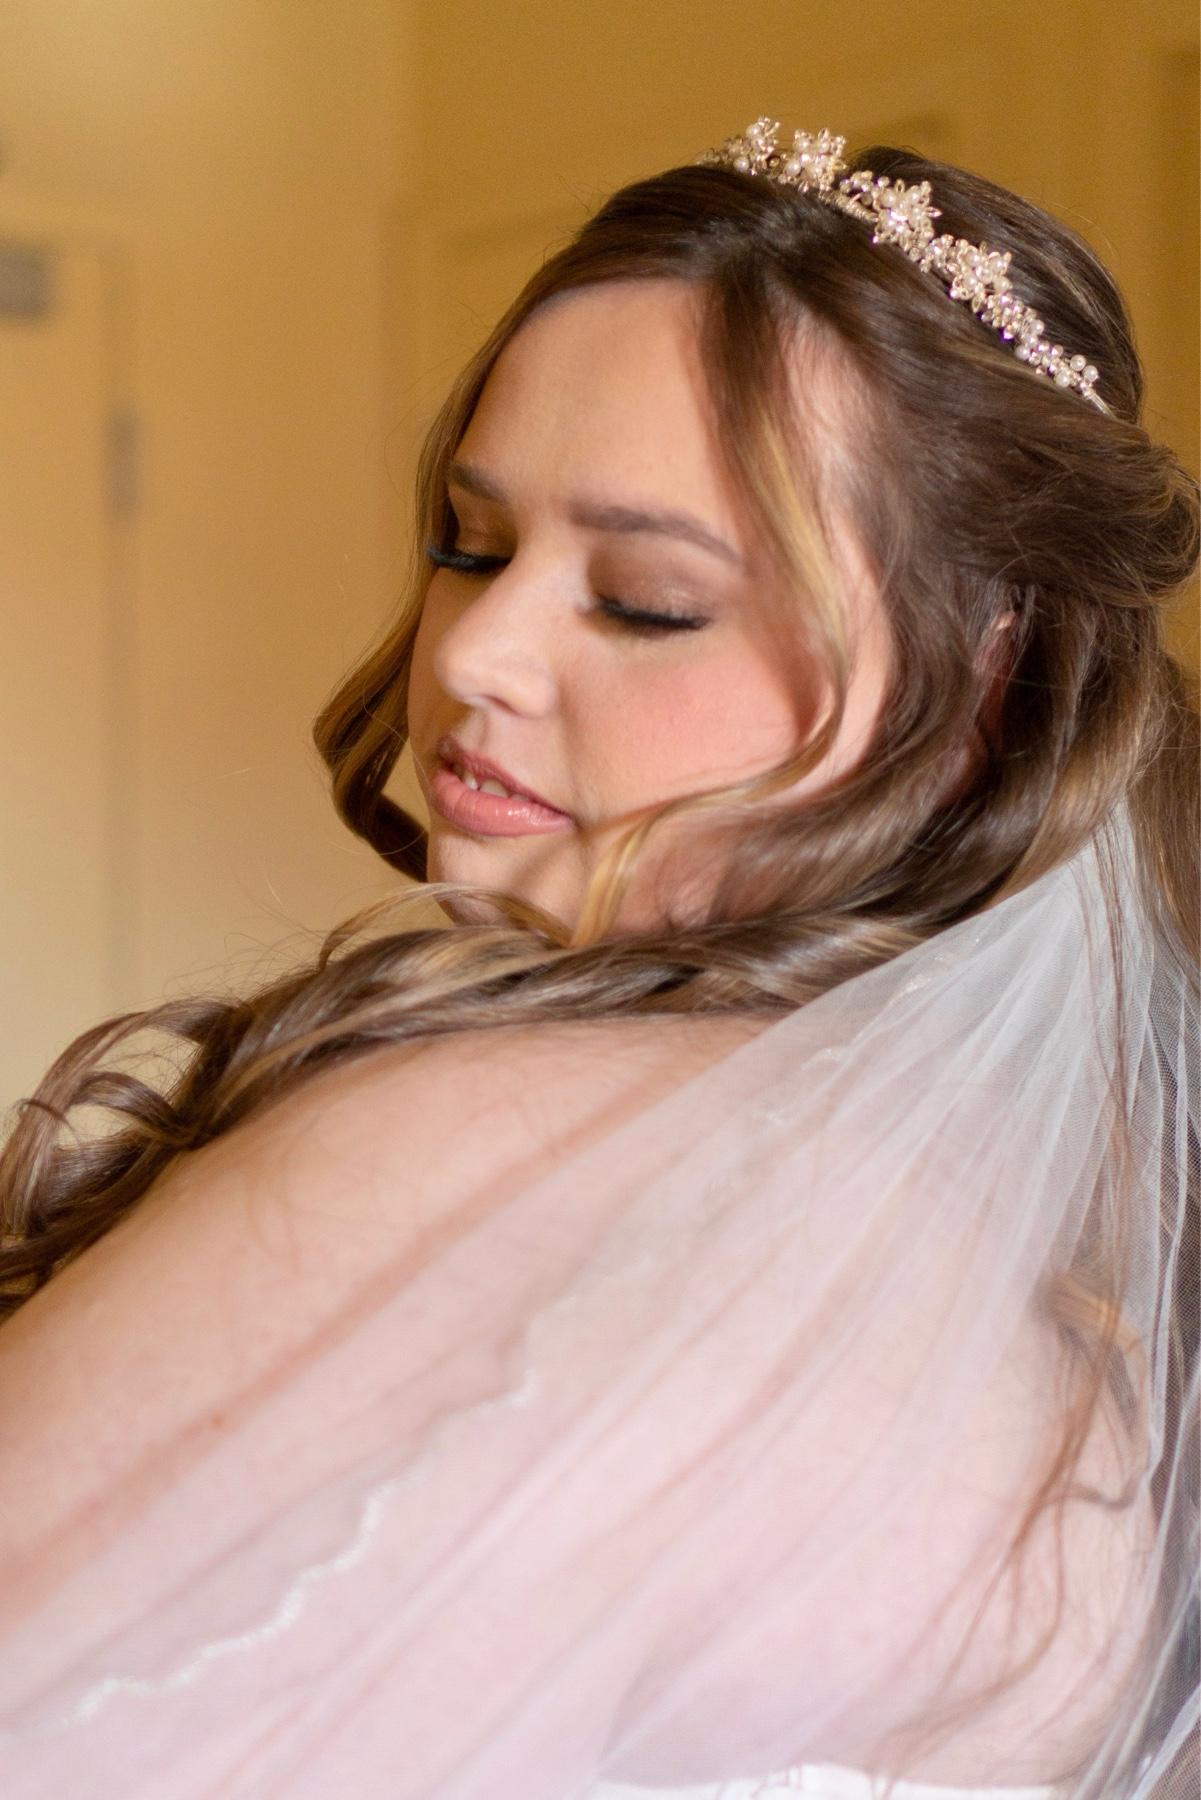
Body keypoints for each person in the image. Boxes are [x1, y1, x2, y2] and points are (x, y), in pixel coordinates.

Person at [0, 119, 1196, 1800]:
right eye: (470, 545)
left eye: (644, 600)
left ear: (979, 690)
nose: (476, 654)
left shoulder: (466, 1143)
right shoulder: (1079, 1371)